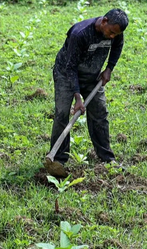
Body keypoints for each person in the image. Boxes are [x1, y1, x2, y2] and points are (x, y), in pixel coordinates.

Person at [47, 8, 129, 168]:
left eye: (115, 34)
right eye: (111, 32)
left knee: (100, 113)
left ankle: (107, 158)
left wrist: (109, 68)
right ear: (104, 21)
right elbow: (70, 67)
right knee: (62, 114)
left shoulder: (116, 31)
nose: (112, 36)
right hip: (66, 73)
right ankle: (57, 160)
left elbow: (118, 46)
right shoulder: (80, 33)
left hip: (93, 76)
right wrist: (78, 98)